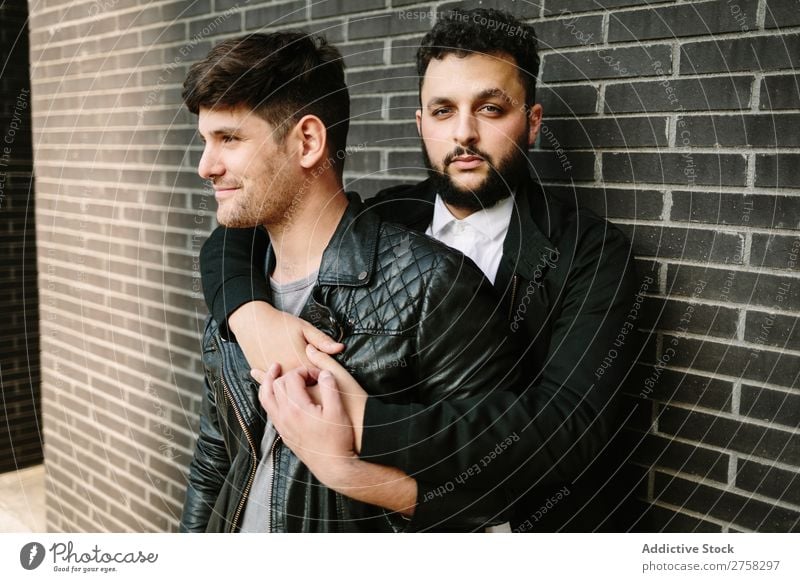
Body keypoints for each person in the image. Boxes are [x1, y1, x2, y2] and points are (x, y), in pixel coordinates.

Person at [201, 9, 640, 532]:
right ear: (420, 124)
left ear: (533, 122)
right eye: (442, 111)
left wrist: (363, 423)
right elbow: (240, 229)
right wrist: (251, 317)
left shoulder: (588, 252)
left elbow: (569, 427)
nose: (465, 133)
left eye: (492, 109)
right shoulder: (387, 218)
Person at [178, 30, 522, 533]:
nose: (206, 166)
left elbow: (492, 495)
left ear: (308, 142)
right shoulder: (238, 294)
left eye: (229, 138)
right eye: (206, 141)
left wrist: (352, 468)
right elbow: (215, 460)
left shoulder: (432, 286)